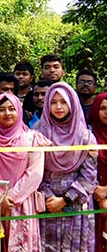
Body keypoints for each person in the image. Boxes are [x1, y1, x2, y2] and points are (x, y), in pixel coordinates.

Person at [36, 82, 97, 252]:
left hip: (76, 205)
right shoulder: (38, 133)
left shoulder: (85, 137)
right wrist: (49, 197)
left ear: (72, 103)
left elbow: (89, 177)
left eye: (63, 102)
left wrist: (64, 200)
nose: (58, 107)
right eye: (53, 102)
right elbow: (34, 170)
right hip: (46, 204)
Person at [0, 92, 49, 252]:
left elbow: (34, 173)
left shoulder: (32, 138)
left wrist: (11, 197)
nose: (7, 113)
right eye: (2, 109)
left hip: (22, 203)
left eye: (11, 109)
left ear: (19, 111)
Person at [90, 92, 107, 251]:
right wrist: (99, 194)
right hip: (91, 198)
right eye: (102, 108)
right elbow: (85, 168)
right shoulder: (88, 136)